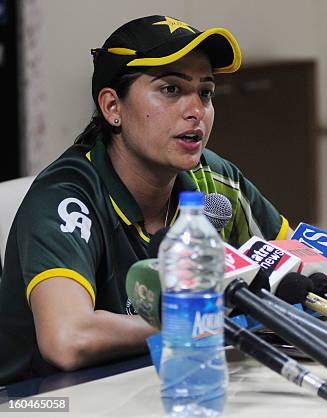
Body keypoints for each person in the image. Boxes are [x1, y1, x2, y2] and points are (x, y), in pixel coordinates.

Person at [0, 15, 290, 385]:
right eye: (171, 89)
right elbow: (68, 339)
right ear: (112, 107)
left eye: (206, 92)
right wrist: (203, 319)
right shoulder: (65, 196)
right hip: (45, 402)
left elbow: (295, 263)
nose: (196, 111)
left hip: (161, 382)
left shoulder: (214, 180)